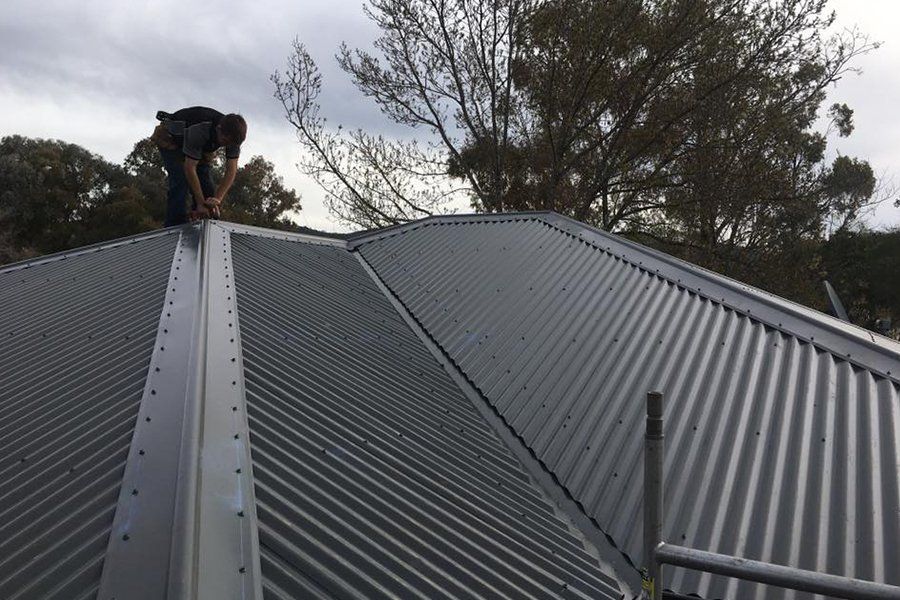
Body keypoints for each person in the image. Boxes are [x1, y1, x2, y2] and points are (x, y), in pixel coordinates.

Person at [151, 107, 247, 226]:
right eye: (225, 142)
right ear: (218, 129)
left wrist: (217, 199)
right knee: (180, 181)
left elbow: (231, 170)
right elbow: (189, 168)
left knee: (207, 189)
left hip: (199, 146)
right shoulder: (200, 129)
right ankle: (174, 224)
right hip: (171, 138)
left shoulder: (233, 137)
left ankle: (202, 221)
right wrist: (200, 203)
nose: (226, 146)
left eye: (230, 144)